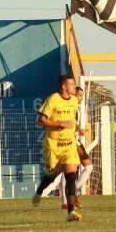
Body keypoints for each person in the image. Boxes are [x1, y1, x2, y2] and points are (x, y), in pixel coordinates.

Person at [32, 75, 82, 222]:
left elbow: (72, 120)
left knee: (71, 176)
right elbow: (41, 120)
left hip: (69, 144)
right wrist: (60, 124)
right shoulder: (53, 99)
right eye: (71, 84)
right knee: (51, 175)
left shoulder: (74, 100)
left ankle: (70, 212)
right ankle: (39, 191)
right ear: (63, 87)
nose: (74, 86)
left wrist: (76, 128)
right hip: (53, 144)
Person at [43, 86, 94, 209]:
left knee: (88, 167)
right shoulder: (69, 107)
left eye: (82, 95)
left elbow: (72, 123)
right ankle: (67, 200)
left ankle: (72, 193)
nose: (81, 98)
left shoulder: (75, 108)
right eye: (79, 95)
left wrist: (79, 129)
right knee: (74, 170)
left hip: (74, 140)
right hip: (68, 142)